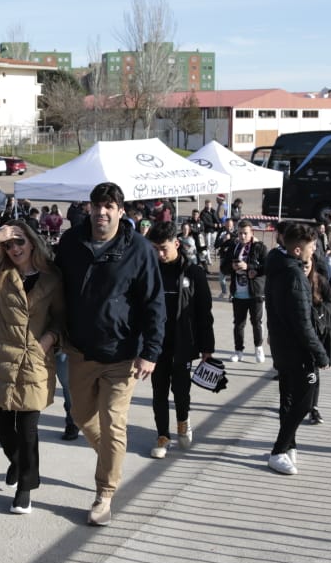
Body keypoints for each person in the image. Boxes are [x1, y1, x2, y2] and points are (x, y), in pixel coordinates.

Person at [54, 182, 164, 527]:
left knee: (114, 424)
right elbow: (53, 283)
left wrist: (151, 351)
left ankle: (105, 492)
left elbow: (154, 302)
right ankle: (112, 460)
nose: (101, 212)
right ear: (89, 208)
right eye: (96, 206)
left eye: (109, 206)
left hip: (122, 355)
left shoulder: (139, 250)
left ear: (120, 211)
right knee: (83, 418)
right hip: (80, 351)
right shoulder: (72, 242)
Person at [0, 219, 65, 514]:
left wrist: (49, 339)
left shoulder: (52, 277)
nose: (15, 248)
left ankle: (26, 488)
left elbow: (61, 316)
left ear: (32, 242)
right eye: (9, 244)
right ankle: (18, 462)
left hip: (34, 360)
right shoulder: (0, 274)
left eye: (20, 241)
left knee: (28, 430)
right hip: (2, 359)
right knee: (0, 425)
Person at [145, 221, 215, 458]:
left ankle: (183, 422)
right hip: (156, 345)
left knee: (181, 390)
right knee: (159, 392)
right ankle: (162, 435)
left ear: (176, 243)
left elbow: (205, 312)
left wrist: (207, 346)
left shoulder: (193, 272)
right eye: (154, 249)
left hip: (184, 343)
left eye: (163, 248)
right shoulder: (150, 270)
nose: (160, 254)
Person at [264, 223, 329, 475]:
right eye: (312, 248)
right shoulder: (293, 275)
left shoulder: (278, 265)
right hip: (296, 349)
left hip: (283, 346)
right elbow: (302, 322)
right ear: (298, 249)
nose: (313, 253)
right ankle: (278, 451)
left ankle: (289, 446)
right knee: (304, 402)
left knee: (288, 399)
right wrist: (320, 353)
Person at [219, 219, 267, 362]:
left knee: (256, 322)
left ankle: (258, 348)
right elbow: (223, 268)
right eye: (240, 233)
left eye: (245, 233)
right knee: (239, 323)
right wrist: (231, 268)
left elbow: (267, 267)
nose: (242, 236)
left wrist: (249, 267)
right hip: (238, 293)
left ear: (252, 233)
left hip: (255, 293)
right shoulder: (234, 246)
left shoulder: (259, 247)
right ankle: (238, 350)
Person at [303, 252, 331, 424]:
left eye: (307, 265)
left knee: (313, 373)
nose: (304, 268)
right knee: (295, 375)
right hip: (293, 336)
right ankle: (296, 402)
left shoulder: (320, 282)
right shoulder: (290, 281)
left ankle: (313, 408)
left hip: (314, 334)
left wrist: (319, 314)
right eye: (300, 264)